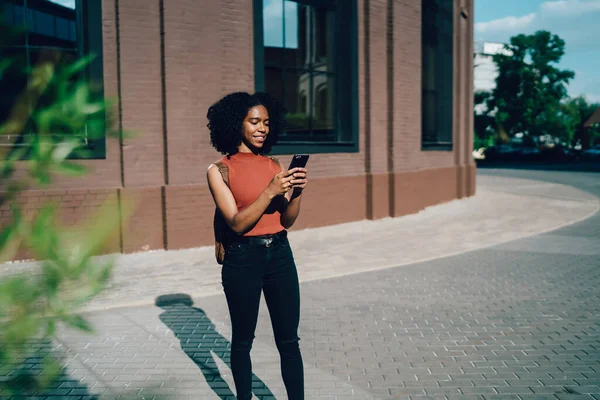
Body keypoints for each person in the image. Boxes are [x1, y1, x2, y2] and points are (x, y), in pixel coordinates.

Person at [205, 92, 308, 400]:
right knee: (242, 342)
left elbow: (286, 221)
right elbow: (237, 223)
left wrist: (298, 191)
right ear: (235, 124)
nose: (262, 128)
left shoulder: (273, 164)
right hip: (243, 259)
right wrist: (269, 192)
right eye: (254, 122)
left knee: (289, 341)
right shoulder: (218, 170)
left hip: (279, 255)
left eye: (266, 122)